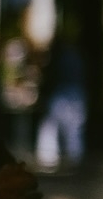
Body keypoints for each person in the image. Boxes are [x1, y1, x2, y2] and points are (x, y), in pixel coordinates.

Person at [36, 35, 87, 171]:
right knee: (74, 128)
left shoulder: (58, 58)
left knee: (50, 126)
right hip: (76, 93)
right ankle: (74, 157)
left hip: (63, 93)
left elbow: (51, 77)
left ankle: (48, 158)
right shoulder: (76, 57)